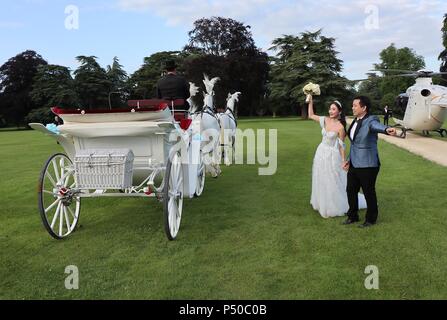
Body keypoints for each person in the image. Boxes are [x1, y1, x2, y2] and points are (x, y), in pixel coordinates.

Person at [307, 95, 366, 218]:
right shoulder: (324, 120)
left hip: (332, 156)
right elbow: (311, 115)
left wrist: (343, 161)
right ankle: (321, 202)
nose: (330, 111)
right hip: (321, 152)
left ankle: (333, 205)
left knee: (332, 180)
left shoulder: (340, 127)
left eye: (333, 109)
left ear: (339, 111)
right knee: (321, 177)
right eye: (330, 109)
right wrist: (311, 101)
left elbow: (341, 146)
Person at [342, 96, 396, 228]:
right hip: (354, 162)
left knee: (368, 192)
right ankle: (352, 216)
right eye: (352, 105)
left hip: (368, 164)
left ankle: (371, 219)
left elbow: (376, 126)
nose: (352, 107)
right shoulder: (355, 121)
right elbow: (355, 144)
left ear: (364, 107)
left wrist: (386, 129)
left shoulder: (371, 120)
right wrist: (349, 160)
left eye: (355, 105)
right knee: (350, 190)